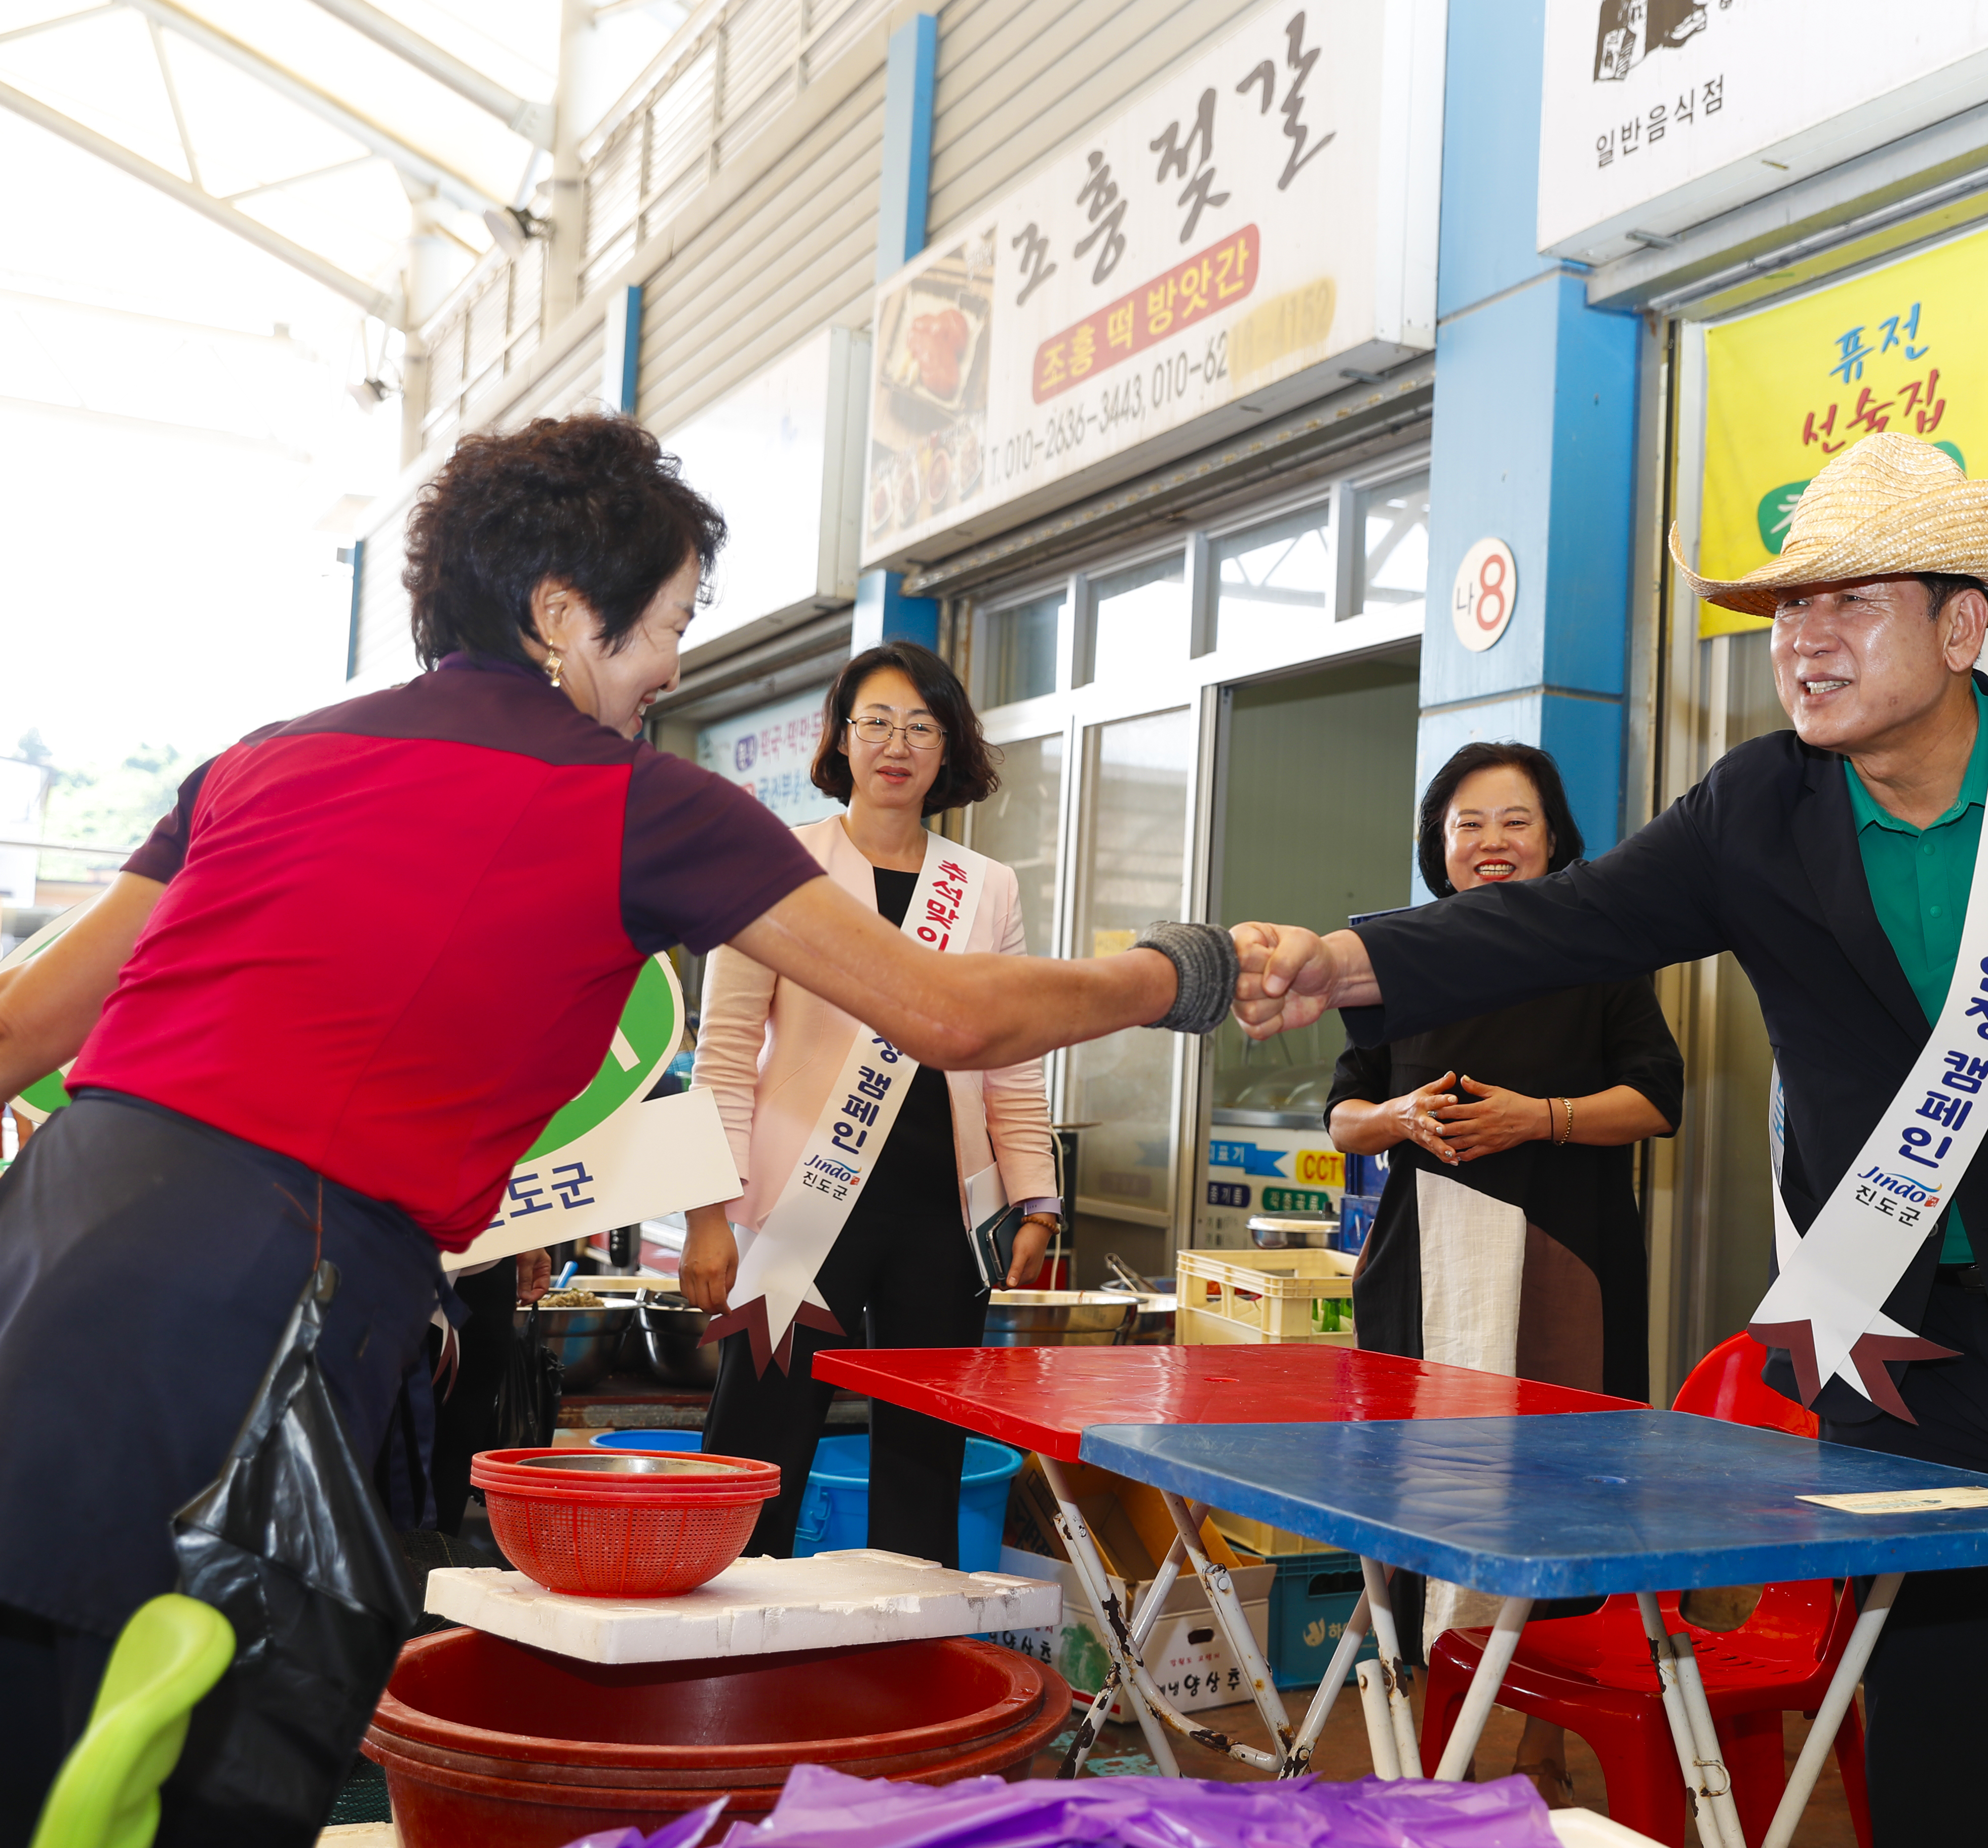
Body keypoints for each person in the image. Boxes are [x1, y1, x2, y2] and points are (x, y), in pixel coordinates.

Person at [0, 414, 1241, 1839]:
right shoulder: (638, 804)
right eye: (667, 625)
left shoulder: (260, 761)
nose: (670, 668)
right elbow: (950, 1020)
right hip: (268, 1315)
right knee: (188, 1764)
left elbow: (23, 1030)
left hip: (44, 1258)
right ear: (559, 615)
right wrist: (1178, 973)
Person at [1232, 431, 1988, 1846]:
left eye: (1849, 602)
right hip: (1894, 1338)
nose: (1804, 641)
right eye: (1789, 610)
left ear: (1962, 622)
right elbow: (1566, 918)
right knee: (1912, 1701)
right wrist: (1344, 960)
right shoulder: (1758, 808)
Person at [1324, 740, 1681, 1804]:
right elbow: (1343, 1114)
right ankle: (1436, 1744)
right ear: (1439, 844)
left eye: (1515, 821)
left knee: (1559, 1498)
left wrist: (1543, 1118)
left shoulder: (1604, 954)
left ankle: (1543, 1742)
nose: (1492, 841)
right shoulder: (1390, 958)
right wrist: (1397, 1114)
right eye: (1469, 822)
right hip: (1420, 1270)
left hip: (1570, 1267)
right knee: (1416, 1494)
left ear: (1556, 838)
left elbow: (1659, 1100)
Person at [679, 640, 1060, 1565]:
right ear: (842, 740)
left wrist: (1034, 1196)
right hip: (800, 1208)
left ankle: (902, 1668)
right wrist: (704, 1214)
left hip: (944, 1214)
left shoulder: (988, 887)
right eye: (877, 722)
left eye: (921, 726)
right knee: (757, 1448)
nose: (898, 744)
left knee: (926, 1455)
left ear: (949, 746)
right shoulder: (773, 868)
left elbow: (1011, 1055)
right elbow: (723, 1055)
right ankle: (724, 1670)